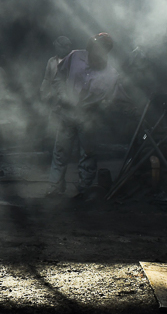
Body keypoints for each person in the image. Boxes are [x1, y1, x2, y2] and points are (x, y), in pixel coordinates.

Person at [47, 33, 118, 195]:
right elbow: (59, 77)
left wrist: (98, 111)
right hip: (67, 112)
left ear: (107, 51)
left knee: (88, 153)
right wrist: (62, 96)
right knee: (60, 150)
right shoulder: (75, 56)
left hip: (89, 117)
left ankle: (84, 188)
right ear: (90, 47)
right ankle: (55, 187)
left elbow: (109, 101)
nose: (97, 53)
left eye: (102, 50)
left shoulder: (111, 74)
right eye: (95, 49)